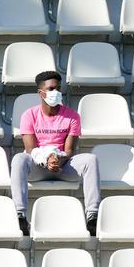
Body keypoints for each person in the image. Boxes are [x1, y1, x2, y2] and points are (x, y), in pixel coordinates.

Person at [11, 71, 100, 236]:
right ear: (41, 93)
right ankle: (19, 216)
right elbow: (30, 149)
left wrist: (58, 158)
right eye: (51, 89)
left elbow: (69, 150)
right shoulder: (29, 115)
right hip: (38, 166)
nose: (56, 93)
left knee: (90, 159)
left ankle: (92, 217)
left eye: (58, 88)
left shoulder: (72, 116)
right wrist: (47, 159)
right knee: (19, 158)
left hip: (62, 166)